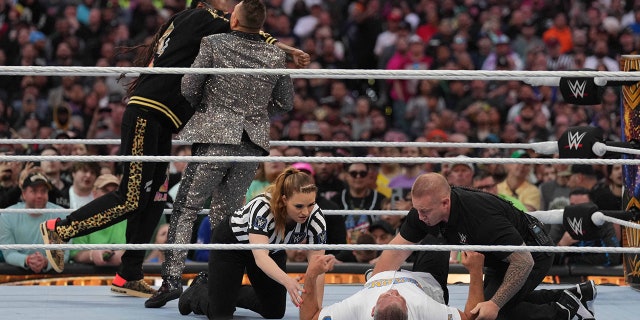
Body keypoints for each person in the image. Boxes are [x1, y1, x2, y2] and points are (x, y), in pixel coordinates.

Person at [40, 0, 309, 299]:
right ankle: (60, 229)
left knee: (155, 199)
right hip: (147, 112)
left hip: (162, 119)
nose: (230, 8)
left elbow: (247, 26)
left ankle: (128, 272)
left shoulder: (194, 19)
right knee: (131, 196)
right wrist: (287, 50)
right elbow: (250, 27)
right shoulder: (204, 17)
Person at [146, 0, 299, 308]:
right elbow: (285, 103)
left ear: (234, 20)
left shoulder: (214, 43)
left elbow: (189, 85)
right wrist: (254, 113)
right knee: (227, 215)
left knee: (188, 205)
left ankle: (172, 280)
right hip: (251, 141)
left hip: (215, 135)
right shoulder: (274, 54)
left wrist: (213, 110)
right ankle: (214, 279)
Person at [373, 173, 596, 320]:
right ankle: (573, 294)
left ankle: (567, 312)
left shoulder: (480, 217)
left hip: (531, 254)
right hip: (498, 258)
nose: (419, 217)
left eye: (425, 212)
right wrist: (372, 290)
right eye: (417, 209)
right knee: (493, 305)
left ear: (445, 202)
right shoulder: (424, 211)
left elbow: (523, 260)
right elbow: (395, 251)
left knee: (491, 313)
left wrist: (496, 304)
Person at [178, 167, 327, 319]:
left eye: (311, 204)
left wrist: (317, 311)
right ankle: (198, 291)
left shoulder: (315, 218)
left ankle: (226, 292)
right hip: (233, 245)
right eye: (299, 206)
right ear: (284, 200)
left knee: (274, 311)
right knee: (221, 315)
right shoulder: (263, 208)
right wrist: (288, 282)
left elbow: (318, 266)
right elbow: (260, 258)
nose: (306, 212)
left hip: (271, 250)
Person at [300, 252, 486, 320]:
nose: (392, 291)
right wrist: (476, 271)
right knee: (436, 233)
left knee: (416, 228)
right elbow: (472, 318)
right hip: (426, 281)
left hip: (379, 274)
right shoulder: (423, 309)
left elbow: (309, 317)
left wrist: (311, 274)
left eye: (386, 296)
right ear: (408, 312)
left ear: (373, 310)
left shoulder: (358, 308)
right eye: (399, 297)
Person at [0, 169, 68, 273]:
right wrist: (27, 260)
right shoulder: (7, 216)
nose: (39, 195)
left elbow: (65, 253)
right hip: (17, 277)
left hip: (53, 277)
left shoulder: (62, 215)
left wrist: (46, 261)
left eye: (43, 191)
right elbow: (8, 253)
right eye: (34, 191)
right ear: (23, 194)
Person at [70, 174, 127, 266]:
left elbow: (136, 250)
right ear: (94, 193)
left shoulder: (128, 216)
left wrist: (124, 256)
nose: (111, 195)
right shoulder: (81, 216)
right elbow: (75, 253)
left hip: (122, 274)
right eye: (105, 191)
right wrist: (92, 255)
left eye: (115, 191)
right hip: (89, 275)